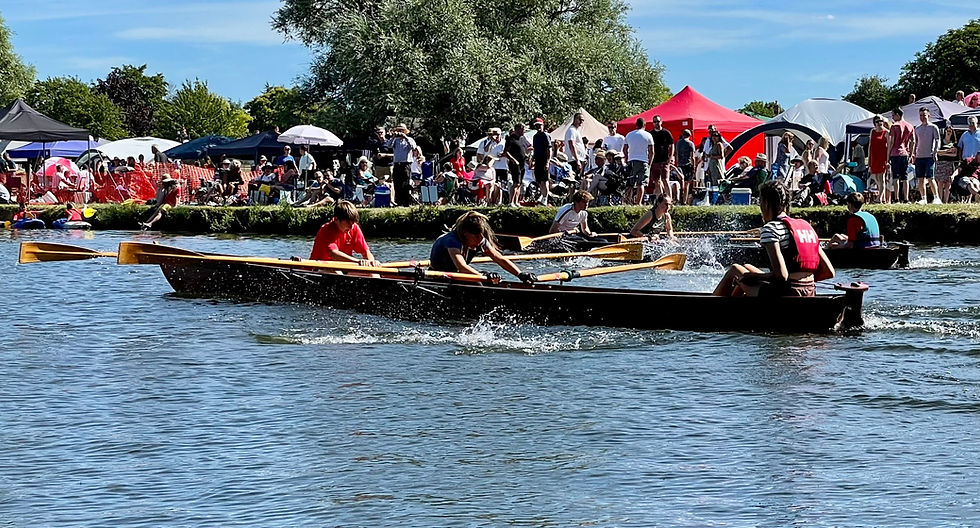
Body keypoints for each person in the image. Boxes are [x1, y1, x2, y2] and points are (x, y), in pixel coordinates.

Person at [713, 180, 835, 298]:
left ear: (766, 203)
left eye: (760, 201)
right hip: (809, 290)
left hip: (786, 292)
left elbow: (781, 276)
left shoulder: (770, 229)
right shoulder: (806, 226)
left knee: (735, 270)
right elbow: (829, 272)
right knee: (747, 268)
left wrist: (755, 277)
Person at [428, 211, 536, 283]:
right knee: (480, 284)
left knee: (483, 282)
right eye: (475, 238)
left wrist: (520, 274)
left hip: (457, 276)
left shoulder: (480, 240)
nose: (478, 242)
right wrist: (483, 277)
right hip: (438, 277)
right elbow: (462, 267)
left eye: (481, 239)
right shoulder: (451, 240)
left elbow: (500, 259)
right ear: (465, 233)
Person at [309, 200, 379, 266]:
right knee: (337, 273)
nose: (351, 226)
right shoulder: (326, 229)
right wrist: (357, 261)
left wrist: (371, 262)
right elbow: (333, 253)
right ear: (336, 219)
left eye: (353, 222)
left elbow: (366, 252)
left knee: (373, 274)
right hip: (320, 267)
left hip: (343, 267)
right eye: (348, 222)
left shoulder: (354, 227)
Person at [386, 123, 421, 206]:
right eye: (399, 130)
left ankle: (405, 202)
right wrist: (393, 137)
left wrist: (405, 137)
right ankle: (398, 202)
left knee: (405, 183)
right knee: (397, 183)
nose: (400, 132)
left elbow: (413, 147)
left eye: (402, 130)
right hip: (397, 164)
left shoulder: (410, 139)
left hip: (405, 164)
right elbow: (388, 145)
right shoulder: (395, 140)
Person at [913, 107, 941, 204]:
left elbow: (937, 140)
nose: (922, 117)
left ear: (928, 115)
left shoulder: (933, 127)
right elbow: (915, 142)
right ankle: (923, 198)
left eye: (924, 115)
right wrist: (913, 153)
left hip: (929, 156)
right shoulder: (917, 128)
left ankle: (936, 197)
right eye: (920, 115)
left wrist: (935, 152)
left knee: (930, 178)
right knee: (920, 178)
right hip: (919, 156)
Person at [623, 117, 654, 205]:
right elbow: (652, 151)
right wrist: (649, 163)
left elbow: (625, 149)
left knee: (630, 183)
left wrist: (626, 158)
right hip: (643, 160)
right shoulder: (648, 135)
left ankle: (628, 201)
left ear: (636, 125)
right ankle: (638, 203)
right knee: (641, 183)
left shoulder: (629, 134)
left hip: (632, 160)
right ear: (644, 125)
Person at [886, 108, 915, 203]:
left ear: (898, 115)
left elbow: (891, 142)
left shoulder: (895, 126)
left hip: (895, 153)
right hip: (905, 153)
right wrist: (911, 153)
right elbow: (913, 141)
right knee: (905, 177)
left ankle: (897, 198)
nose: (892, 118)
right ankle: (906, 198)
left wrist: (888, 156)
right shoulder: (910, 126)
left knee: (896, 177)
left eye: (893, 115)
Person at [649, 115, 674, 200]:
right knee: (657, 181)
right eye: (655, 122)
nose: (657, 123)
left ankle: (669, 199)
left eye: (658, 121)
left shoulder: (666, 133)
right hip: (655, 160)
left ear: (661, 122)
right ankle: (659, 200)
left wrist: (670, 159)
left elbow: (672, 146)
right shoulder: (651, 134)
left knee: (665, 180)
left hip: (664, 160)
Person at [504, 123, 530, 206]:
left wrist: (526, 156)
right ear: (518, 129)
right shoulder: (511, 139)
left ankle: (516, 202)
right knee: (516, 183)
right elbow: (506, 152)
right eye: (523, 129)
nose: (524, 131)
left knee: (520, 183)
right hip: (515, 164)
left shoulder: (522, 139)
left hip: (522, 163)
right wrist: (513, 160)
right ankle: (511, 202)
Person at [868, 115, 890, 203]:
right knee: (875, 176)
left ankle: (879, 198)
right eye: (877, 121)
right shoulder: (872, 132)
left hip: (882, 157)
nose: (879, 123)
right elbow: (870, 145)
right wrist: (869, 158)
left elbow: (888, 147)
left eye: (881, 121)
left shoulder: (886, 132)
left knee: (881, 178)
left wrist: (888, 160)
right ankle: (883, 196)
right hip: (874, 157)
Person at [530, 118, 553, 204]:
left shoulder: (545, 135)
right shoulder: (535, 137)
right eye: (536, 126)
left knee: (544, 180)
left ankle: (545, 197)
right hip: (538, 160)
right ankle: (542, 195)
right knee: (539, 180)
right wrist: (532, 159)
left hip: (544, 159)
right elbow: (535, 149)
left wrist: (547, 162)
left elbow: (549, 149)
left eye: (539, 125)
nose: (538, 127)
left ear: (543, 125)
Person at [936, 127, 958, 203]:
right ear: (945, 131)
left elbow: (954, 154)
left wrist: (943, 153)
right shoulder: (940, 142)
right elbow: (937, 152)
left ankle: (945, 201)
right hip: (940, 164)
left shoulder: (953, 143)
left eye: (950, 131)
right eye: (947, 131)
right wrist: (948, 151)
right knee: (940, 183)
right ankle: (939, 200)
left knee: (948, 184)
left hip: (949, 164)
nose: (948, 132)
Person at [674, 129, 696, 204]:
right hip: (688, 165)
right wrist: (694, 166)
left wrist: (677, 164)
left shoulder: (678, 143)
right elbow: (692, 156)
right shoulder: (690, 144)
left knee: (680, 183)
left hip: (680, 165)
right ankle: (684, 200)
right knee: (687, 184)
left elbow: (676, 154)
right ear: (690, 135)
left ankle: (679, 199)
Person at [564, 112, 587, 178]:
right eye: (580, 119)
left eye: (582, 120)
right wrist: (577, 160)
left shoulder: (576, 130)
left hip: (578, 159)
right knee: (573, 180)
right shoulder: (572, 130)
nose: (581, 122)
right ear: (575, 119)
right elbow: (572, 145)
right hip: (573, 160)